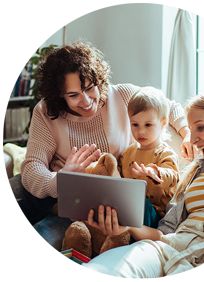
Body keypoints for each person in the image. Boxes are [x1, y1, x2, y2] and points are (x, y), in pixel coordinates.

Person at [10, 40, 193, 258]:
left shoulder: (123, 96)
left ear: (99, 80)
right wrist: (60, 179)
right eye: (73, 95)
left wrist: (187, 132)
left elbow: (166, 106)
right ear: (60, 94)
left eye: (89, 88)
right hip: (68, 207)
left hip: (115, 207)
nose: (86, 101)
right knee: (37, 236)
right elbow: (31, 167)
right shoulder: (46, 112)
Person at [83, 87, 204, 278]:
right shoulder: (195, 173)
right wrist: (127, 226)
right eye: (191, 130)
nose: (192, 139)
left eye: (200, 127)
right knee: (100, 271)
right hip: (170, 247)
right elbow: (165, 234)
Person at [119, 86, 180, 225]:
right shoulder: (127, 153)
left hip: (158, 215)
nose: (141, 131)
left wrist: (155, 172)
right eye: (135, 124)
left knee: (140, 202)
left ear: (163, 123)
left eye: (148, 125)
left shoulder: (166, 153)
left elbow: (173, 178)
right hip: (129, 208)